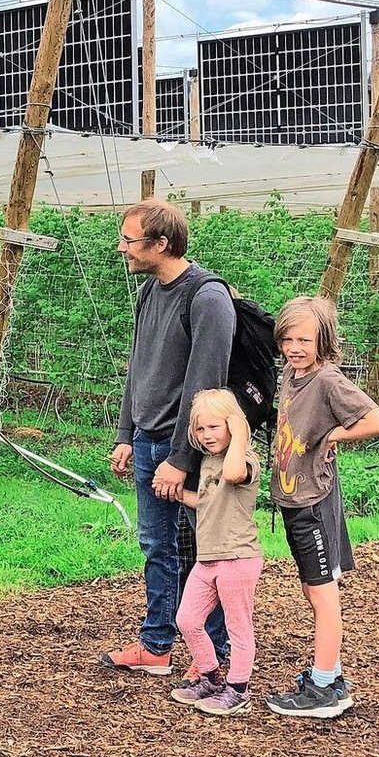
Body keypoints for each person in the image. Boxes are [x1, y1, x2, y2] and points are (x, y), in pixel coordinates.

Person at [103, 198, 234, 678]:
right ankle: (157, 644)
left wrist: (181, 458)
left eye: (129, 240)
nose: (122, 249)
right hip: (147, 442)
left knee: (206, 550)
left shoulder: (206, 297)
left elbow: (207, 388)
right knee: (157, 546)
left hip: (189, 452)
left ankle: (217, 654)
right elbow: (138, 368)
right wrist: (126, 434)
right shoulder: (150, 293)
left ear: (161, 243)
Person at [265, 296, 379, 718]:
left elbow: (377, 421)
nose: (295, 346)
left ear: (324, 340)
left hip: (312, 501)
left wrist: (333, 436)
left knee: (323, 595)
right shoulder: (292, 372)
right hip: (293, 497)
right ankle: (330, 675)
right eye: (288, 338)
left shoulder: (328, 380)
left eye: (305, 339)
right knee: (312, 588)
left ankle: (323, 690)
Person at [168, 389, 263, 717]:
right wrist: (178, 493)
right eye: (200, 429)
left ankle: (239, 689)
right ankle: (209, 677)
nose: (207, 436)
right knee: (187, 619)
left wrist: (240, 433)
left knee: (238, 627)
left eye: (215, 427)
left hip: (237, 557)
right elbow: (208, 500)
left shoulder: (245, 458)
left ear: (233, 426)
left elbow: (234, 474)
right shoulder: (209, 462)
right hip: (208, 558)